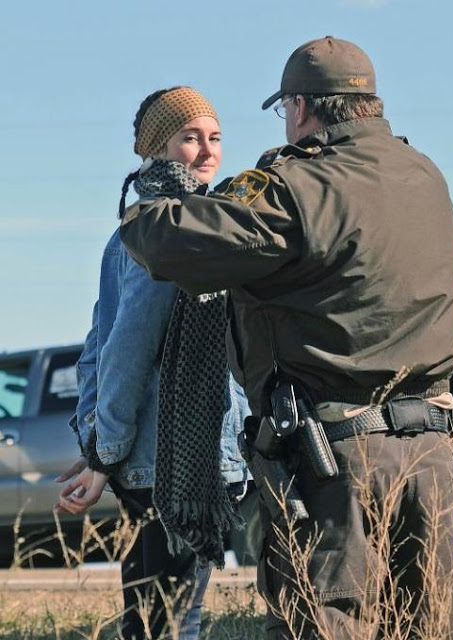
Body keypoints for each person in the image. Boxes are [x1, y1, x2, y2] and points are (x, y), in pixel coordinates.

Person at [120, 37, 453, 639]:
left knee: (324, 620)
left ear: (302, 107)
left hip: (339, 462)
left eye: (285, 109)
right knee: (435, 623)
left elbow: (168, 242)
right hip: (435, 453)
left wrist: (152, 195)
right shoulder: (425, 175)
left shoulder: (298, 185)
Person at [56, 86, 248, 640]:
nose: (207, 150)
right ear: (155, 148)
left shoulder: (144, 228)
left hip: (167, 457)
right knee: (167, 623)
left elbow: (99, 349)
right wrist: (103, 451)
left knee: (156, 620)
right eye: (190, 138)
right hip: (177, 463)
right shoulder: (172, 230)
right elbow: (120, 347)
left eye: (214, 137)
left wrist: (97, 441)